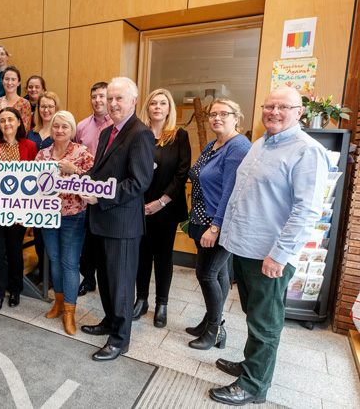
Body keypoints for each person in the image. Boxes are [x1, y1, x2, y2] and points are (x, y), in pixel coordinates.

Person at [209, 88, 329, 406]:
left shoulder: (307, 151)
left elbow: (307, 211)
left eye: (283, 107)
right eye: (269, 106)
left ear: (299, 112)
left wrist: (279, 254)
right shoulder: (261, 143)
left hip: (269, 254)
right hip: (245, 247)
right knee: (253, 314)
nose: (274, 112)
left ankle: (254, 385)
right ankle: (253, 366)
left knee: (265, 320)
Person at [80, 77, 154, 362]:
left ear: (134, 101)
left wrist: (102, 196)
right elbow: (99, 173)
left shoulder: (140, 133)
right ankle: (110, 322)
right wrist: (83, 184)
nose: (112, 104)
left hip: (122, 224)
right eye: (109, 98)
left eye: (119, 98)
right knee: (106, 280)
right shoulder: (107, 131)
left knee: (121, 284)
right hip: (100, 221)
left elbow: (139, 182)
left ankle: (120, 340)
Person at [185, 98, 250, 350]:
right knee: (220, 273)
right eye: (213, 114)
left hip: (218, 222)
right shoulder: (213, 145)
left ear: (237, 117)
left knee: (207, 273)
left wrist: (216, 227)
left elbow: (231, 192)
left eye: (224, 113)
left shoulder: (239, 146)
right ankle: (211, 321)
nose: (217, 118)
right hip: (203, 217)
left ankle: (215, 330)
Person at [132, 89, 191, 328]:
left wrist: (162, 201)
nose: (157, 107)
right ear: (147, 107)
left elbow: (181, 172)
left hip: (166, 207)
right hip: (140, 206)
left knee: (164, 257)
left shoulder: (179, 135)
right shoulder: (139, 134)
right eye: (153, 103)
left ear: (169, 108)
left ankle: (162, 304)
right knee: (142, 256)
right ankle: (142, 300)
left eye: (163, 103)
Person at [36, 111, 94, 335]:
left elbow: (95, 184)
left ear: (72, 130)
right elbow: (34, 186)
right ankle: (58, 302)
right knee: (55, 260)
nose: (59, 130)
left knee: (70, 263)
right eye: (56, 126)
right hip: (48, 215)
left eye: (64, 127)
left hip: (74, 216)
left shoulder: (82, 153)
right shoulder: (42, 155)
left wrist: (76, 171)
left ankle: (70, 311)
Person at [0, 107, 37, 312]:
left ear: (19, 122)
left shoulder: (30, 146)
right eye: (2, 120)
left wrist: (29, 210)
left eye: (10, 120)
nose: (6, 124)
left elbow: (34, 179)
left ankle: (15, 291)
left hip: (18, 209)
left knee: (14, 252)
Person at [75, 82, 112, 297]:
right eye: (94, 96)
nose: (98, 100)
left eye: (102, 96)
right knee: (87, 239)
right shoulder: (81, 126)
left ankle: (106, 280)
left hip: (107, 190)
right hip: (85, 189)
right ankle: (88, 279)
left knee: (104, 240)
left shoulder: (116, 126)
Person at [26, 91, 61, 282]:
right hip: (34, 193)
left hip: (55, 193)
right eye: (42, 106)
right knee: (38, 236)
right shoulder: (31, 132)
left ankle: (55, 275)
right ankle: (42, 269)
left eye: (50, 106)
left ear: (56, 108)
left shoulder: (61, 131)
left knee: (54, 237)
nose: (46, 110)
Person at [0, 66, 32, 132]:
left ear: (19, 82)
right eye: (7, 79)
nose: (9, 83)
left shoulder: (24, 103)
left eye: (13, 79)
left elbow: (25, 129)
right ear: (2, 81)